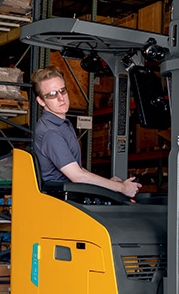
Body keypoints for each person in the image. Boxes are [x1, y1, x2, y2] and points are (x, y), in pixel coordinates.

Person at [32, 66, 141, 198]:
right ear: (41, 101)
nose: (61, 98)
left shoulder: (61, 124)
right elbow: (77, 176)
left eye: (63, 90)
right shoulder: (51, 133)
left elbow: (76, 168)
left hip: (70, 194)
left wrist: (108, 184)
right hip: (61, 201)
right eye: (52, 94)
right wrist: (122, 188)